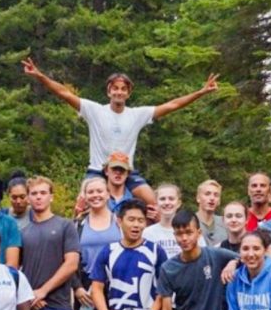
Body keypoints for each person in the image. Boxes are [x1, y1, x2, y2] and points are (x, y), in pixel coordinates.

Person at [22, 57, 219, 206]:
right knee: (81, 204)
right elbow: (64, 93)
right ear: (108, 91)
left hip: (126, 170)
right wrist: (40, 76)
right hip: (98, 170)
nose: (119, 92)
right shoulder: (95, 111)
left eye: (123, 89)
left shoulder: (137, 115)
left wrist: (200, 92)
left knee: (154, 203)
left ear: (128, 93)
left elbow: (172, 105)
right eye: (115, 88)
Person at [20, 176, 80, 310]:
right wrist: (30, 295)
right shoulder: (23, 231)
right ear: (28, 198)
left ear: (51, 197)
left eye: (43, 193)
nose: (38, 197)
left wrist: (43, 291)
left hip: (58, 305)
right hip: (30, 308)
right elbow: (15, 269)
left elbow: (71, 263)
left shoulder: (65, 226)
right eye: (34, 194)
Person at [72, 176, 121, 310]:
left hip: (117, 283)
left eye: (99, 191)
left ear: (107, 194)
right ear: (84, 196)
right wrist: (77, 287)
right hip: (87, 285)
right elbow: (70, 258)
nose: (95, 195)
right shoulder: (78, 224)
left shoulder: (120, 221)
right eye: (90, 192)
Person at [143, 183, 205, 258]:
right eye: (162, 199)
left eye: (171, 199)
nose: (167, 202)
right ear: (156, 203)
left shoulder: (191, 231)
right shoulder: (147, 233)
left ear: (179, 203)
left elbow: (203, 256)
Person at [195, 179, 228, 246]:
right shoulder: (190, 222)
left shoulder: (225, 223)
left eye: (216, 195)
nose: (212, 198)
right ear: (198, 198)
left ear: (219, 201)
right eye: (207, 194)